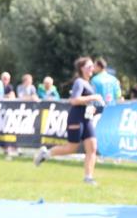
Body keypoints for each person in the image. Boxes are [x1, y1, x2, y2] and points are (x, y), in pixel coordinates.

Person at [34, 56, 106, 185]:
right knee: (72, 148)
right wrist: (93, 97)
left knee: (92, 147)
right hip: (76, 117)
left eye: (92, 66)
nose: (91, 68)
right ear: (81, 68)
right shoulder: (79, 82)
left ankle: (88, 178)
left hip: (87, 118)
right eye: (88, 66)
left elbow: (86, 102)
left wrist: (93, 107)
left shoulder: (89, 83)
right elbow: (74, 100)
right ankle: (46, 153)